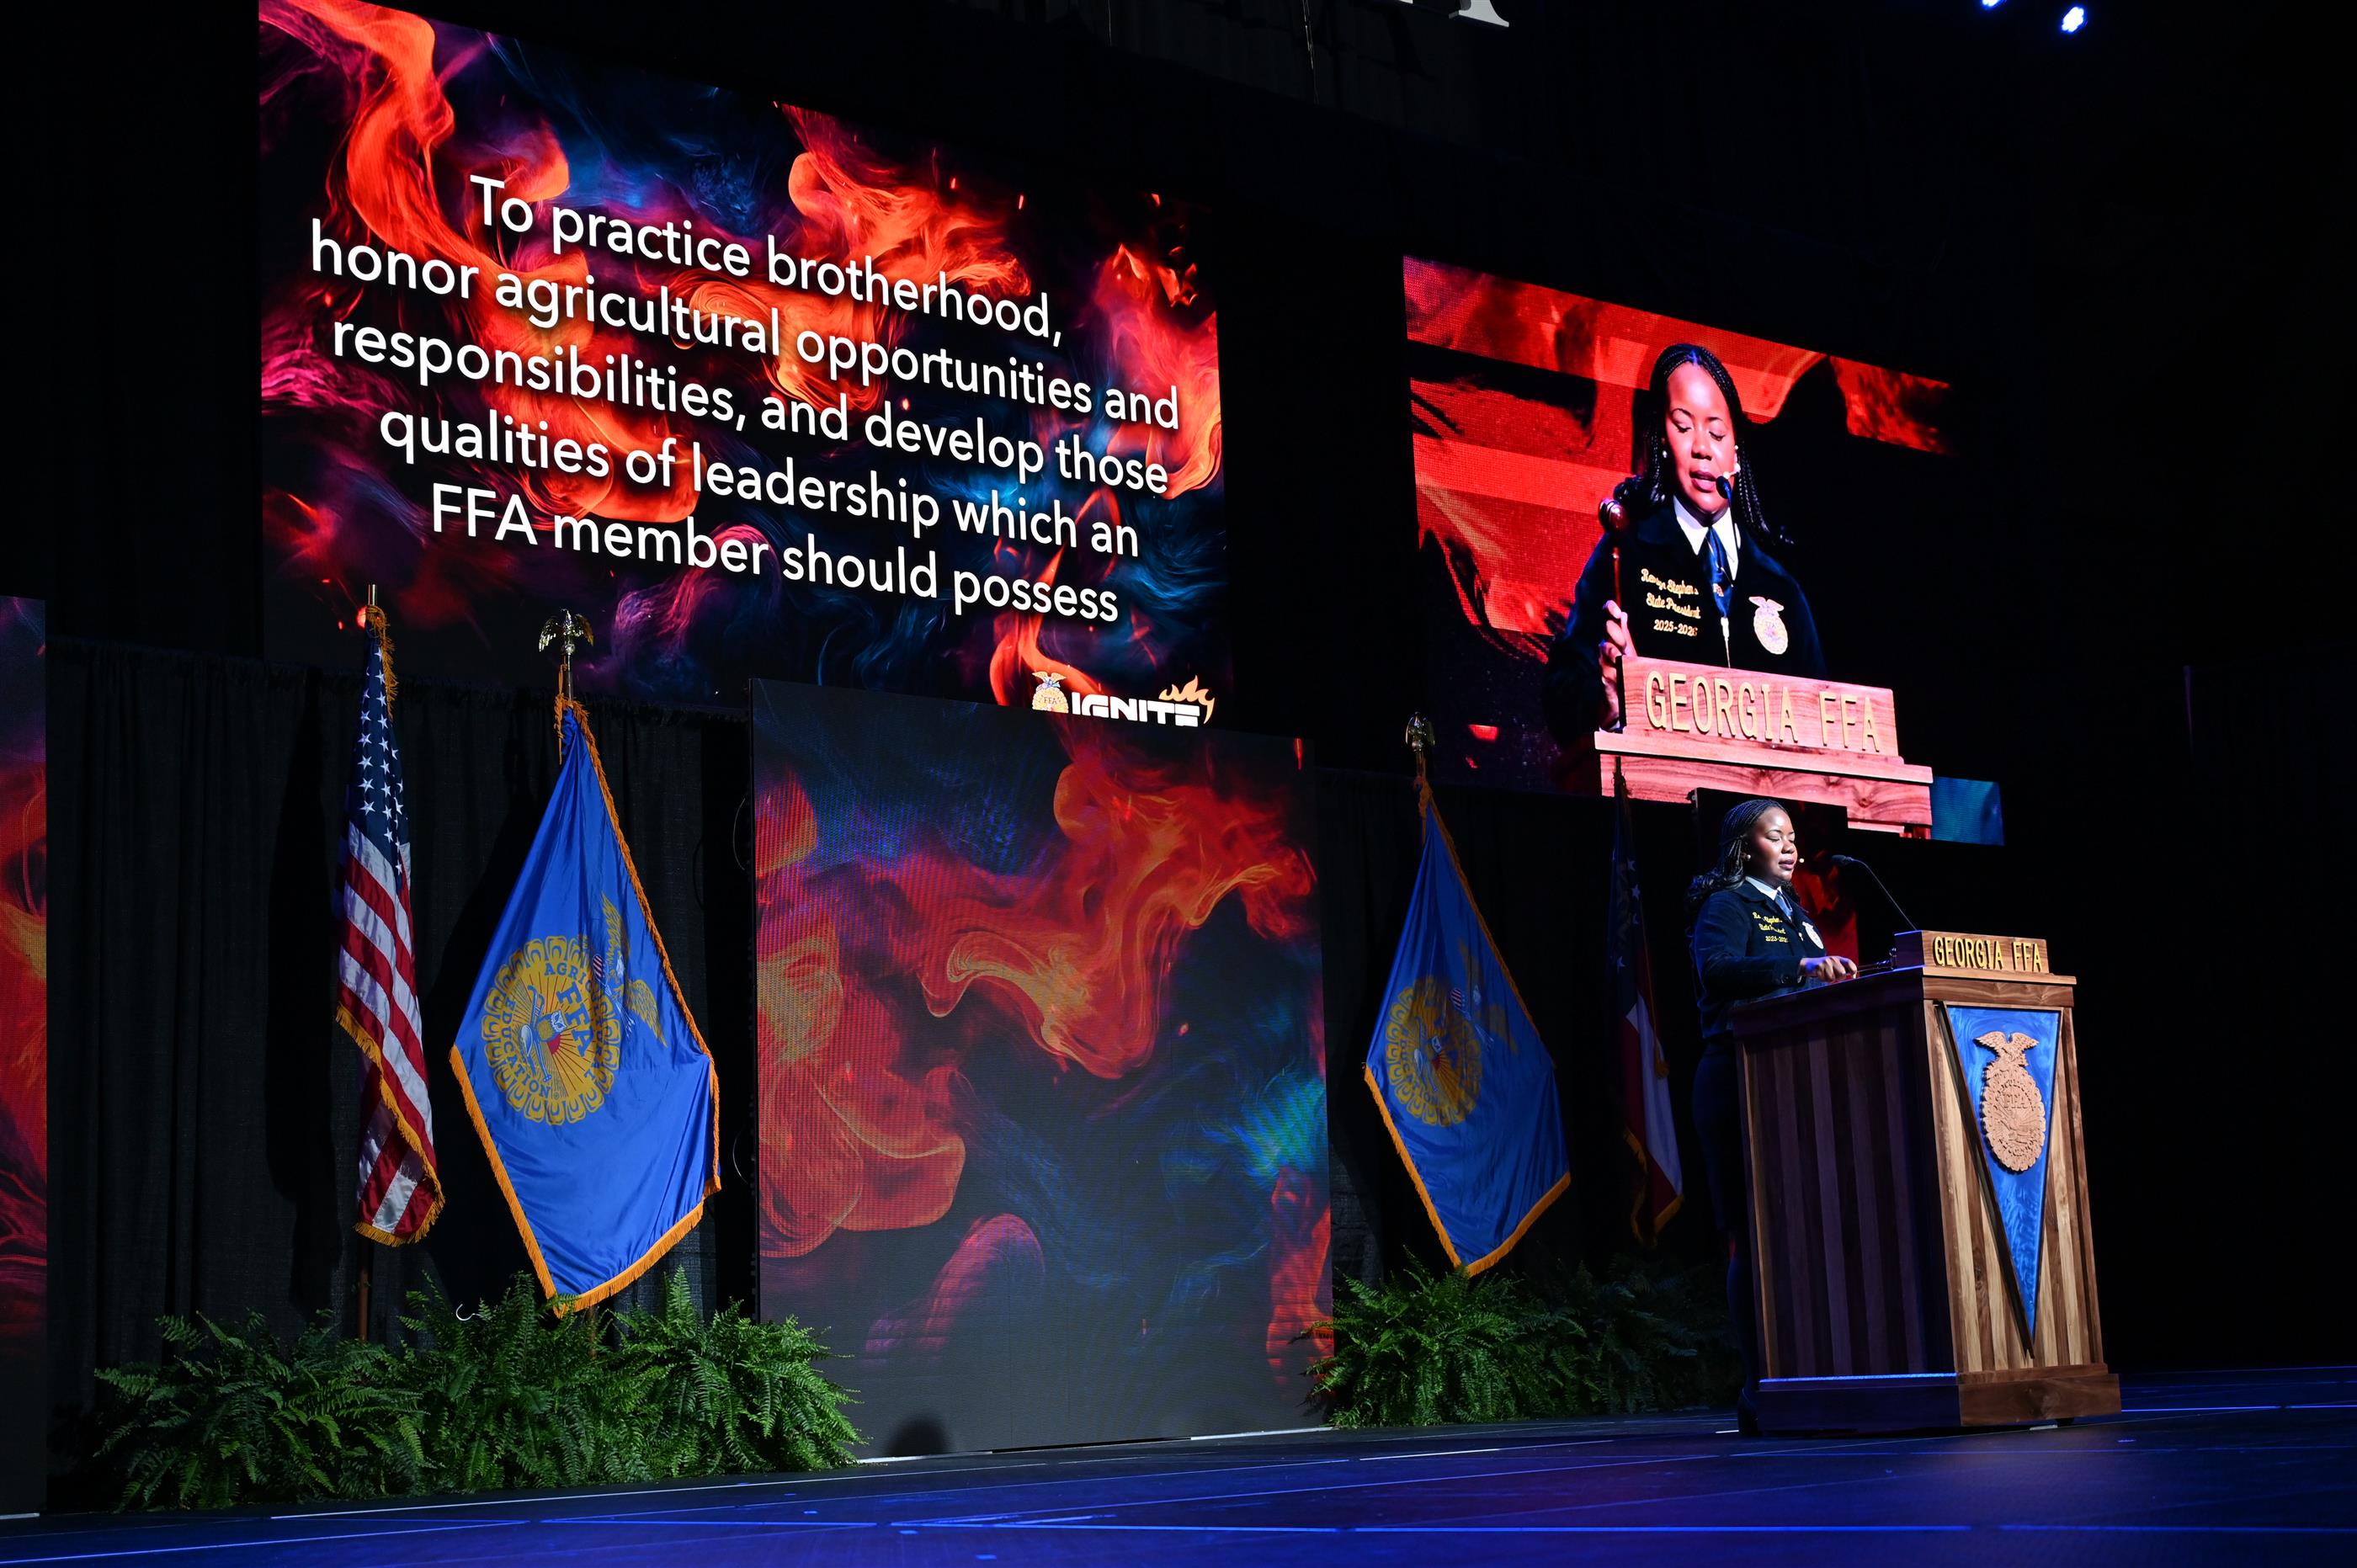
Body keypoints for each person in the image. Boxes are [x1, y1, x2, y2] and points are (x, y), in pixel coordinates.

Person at [1545, 344, 1828, 737]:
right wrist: (1608, 700)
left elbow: (1823, 718)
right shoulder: (1626, 556)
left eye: (1716, 432)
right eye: (1683, 427)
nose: (1702, 449)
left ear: (1736, 449)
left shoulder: (1780, 586)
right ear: (1662, 440)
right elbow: (1562, 698)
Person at [1685, 797, 1856, 1432]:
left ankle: (1814, 1370)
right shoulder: (1726, 904)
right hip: (1739, 1078)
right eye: (1774, 835)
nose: (1789, 846)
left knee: (1805, 1231)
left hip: (1800, 1081)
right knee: (1752, 1236)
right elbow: (1717, 970)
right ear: (1743, 846)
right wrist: (1801, 966)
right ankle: (1760, 1385)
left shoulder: (1798, 914)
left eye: (1792, 836)